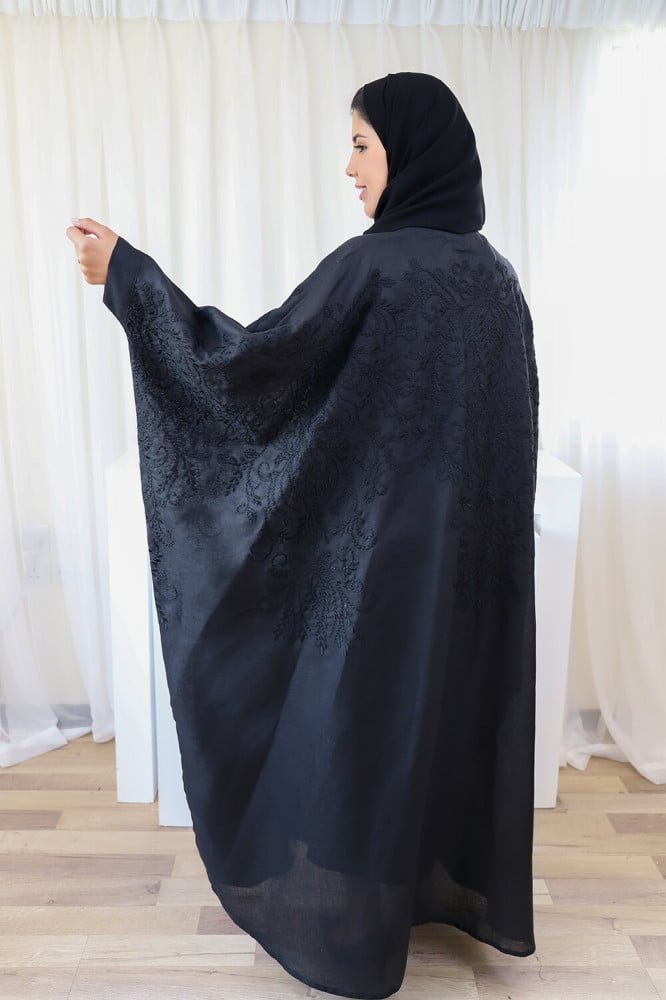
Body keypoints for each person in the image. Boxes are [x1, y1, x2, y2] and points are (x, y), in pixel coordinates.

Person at [66, 72, 539, 1000]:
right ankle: (414, 896)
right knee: (429, 715)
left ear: (411, 152)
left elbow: (248, 373)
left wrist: (128, 277)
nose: (349, 168)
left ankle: (354, 939)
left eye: (362, 145)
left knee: (365, 724)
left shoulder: (378, 266)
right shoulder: (495, 278)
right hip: (460, 574)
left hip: (382, 570)